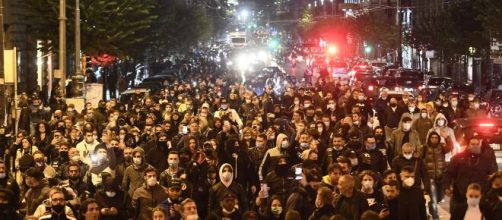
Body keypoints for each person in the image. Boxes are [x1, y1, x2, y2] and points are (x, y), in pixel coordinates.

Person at [443, 134, 498, 216]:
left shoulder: (486, 159)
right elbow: (448, 173)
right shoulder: (458, 158)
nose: (475, 146)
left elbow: (493, 174)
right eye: (472, 144)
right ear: (468, 145)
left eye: (477, 144)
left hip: (480, 197)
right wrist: (446, 186)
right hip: (460, 197)